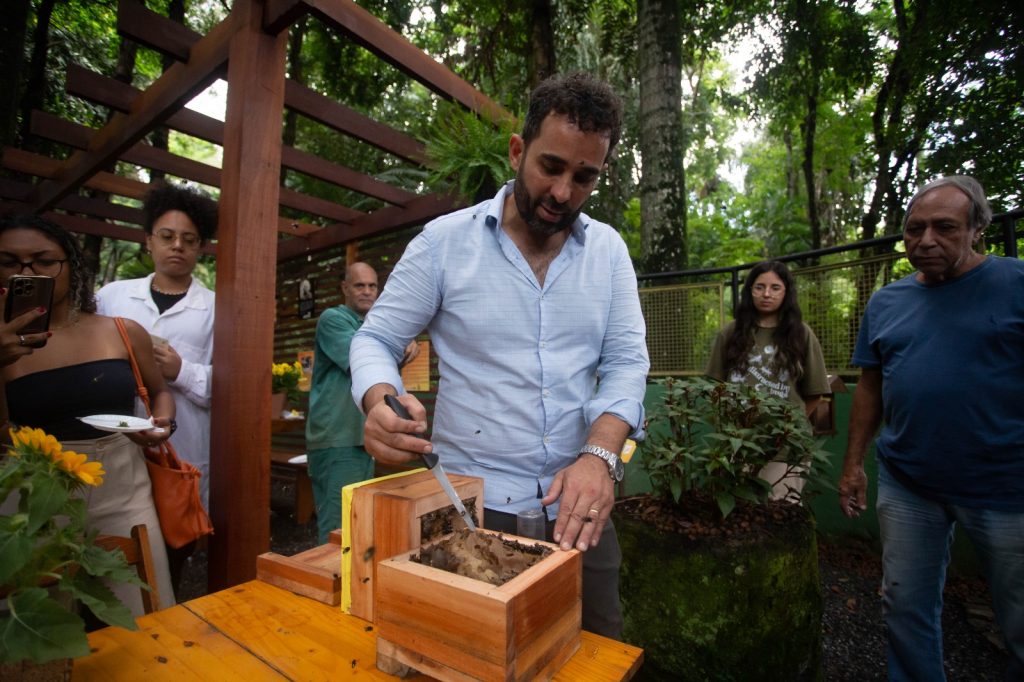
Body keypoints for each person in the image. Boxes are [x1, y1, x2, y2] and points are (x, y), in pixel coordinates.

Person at [350, 72, 650, 640]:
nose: (564, 192)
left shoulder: (608, 252)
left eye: (584, 177)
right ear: (518, 150)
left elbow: (627, 363)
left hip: (579, 508)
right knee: (465, 654)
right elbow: (375, 340)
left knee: (593, 650)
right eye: (551, 167)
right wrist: (377, 399)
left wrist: (601, 455)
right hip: (469, 509)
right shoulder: (443, 244)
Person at [838, 175, 1024, 681]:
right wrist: (853, 464)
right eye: (914, 230)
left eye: (944, 228)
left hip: (1007, 489)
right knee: (904, 609)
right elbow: (870, 389)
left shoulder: (1015, 283)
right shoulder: (887, 302)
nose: (926, 240)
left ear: (977, 229)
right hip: (909, 484)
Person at [0, 214, 176, 616]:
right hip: (31, 490)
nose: (27, 272)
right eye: (9, 262)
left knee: (148, 603)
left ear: (70, 266)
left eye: (44, 261)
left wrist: (163, 424)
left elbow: (161, 392)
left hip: (123, 481)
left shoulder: (121, 330)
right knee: (42, 616)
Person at [95, 183, 217, 595]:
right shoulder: (111, 298)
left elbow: (234, 387)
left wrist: (182, 370)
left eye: (189, 239)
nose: (177, 246)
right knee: (109, 544)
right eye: (167, 236)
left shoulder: (217, 307)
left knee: (170, 543)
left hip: (180, 448)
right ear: (148, 241)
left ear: (201, 247)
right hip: (114, 443)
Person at [305, 262, 418, 544]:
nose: (367, 291)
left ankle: (349, 587)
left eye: (372, 286)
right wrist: (402, 345)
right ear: (345, 288)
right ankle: (327, 586)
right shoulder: (334, 319)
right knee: (338, 530)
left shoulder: (374, 328)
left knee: (356, 524)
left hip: (361, 438)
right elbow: (364, 360)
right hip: (338, 439)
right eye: (359, 285)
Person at [705, 260, 830, 499]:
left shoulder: (801, 334)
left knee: (779, 518)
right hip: (737, 443)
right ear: (749, 291)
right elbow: (714, 387)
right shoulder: (730, 333)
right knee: (737, 517)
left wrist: (786, 430)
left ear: (786, 292)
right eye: (759, 287)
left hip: (785, 450)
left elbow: (815, 393)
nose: (766, 294)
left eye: (775, 288)